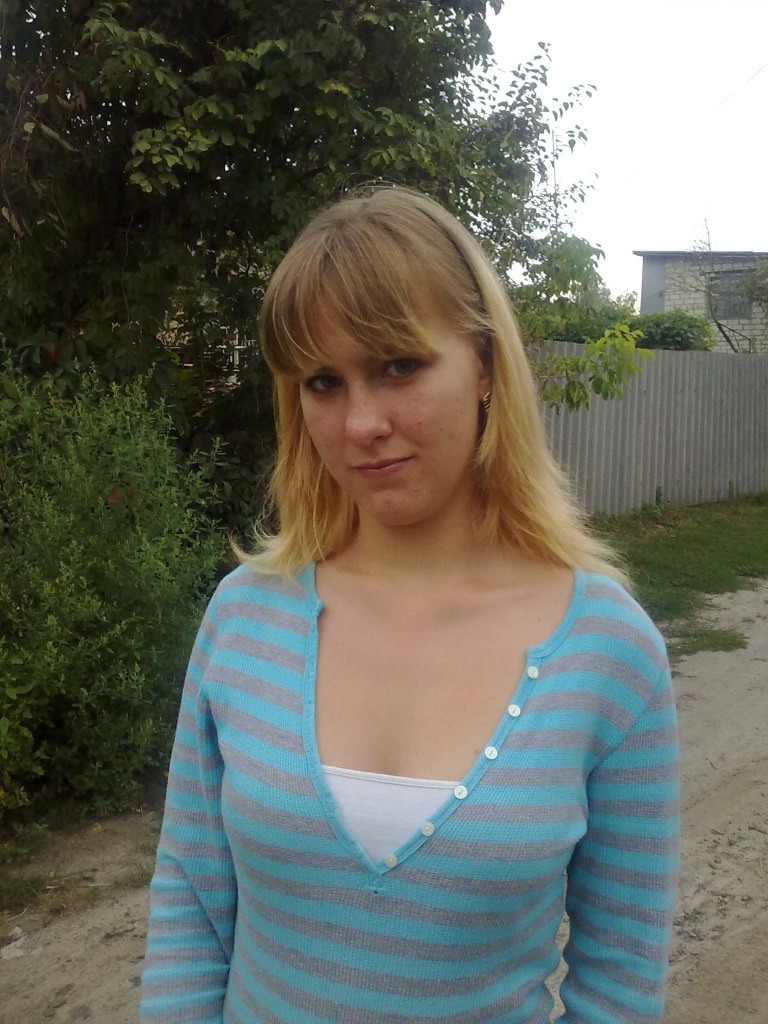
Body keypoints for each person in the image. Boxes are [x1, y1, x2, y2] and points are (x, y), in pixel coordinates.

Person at [140, 187, 679, 1024]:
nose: (361, 424)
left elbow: (619, 986)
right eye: (323, 382)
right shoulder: (244, 617)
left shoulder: (610, 653)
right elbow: (191, 902)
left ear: (486, 365)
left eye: (398, 365)